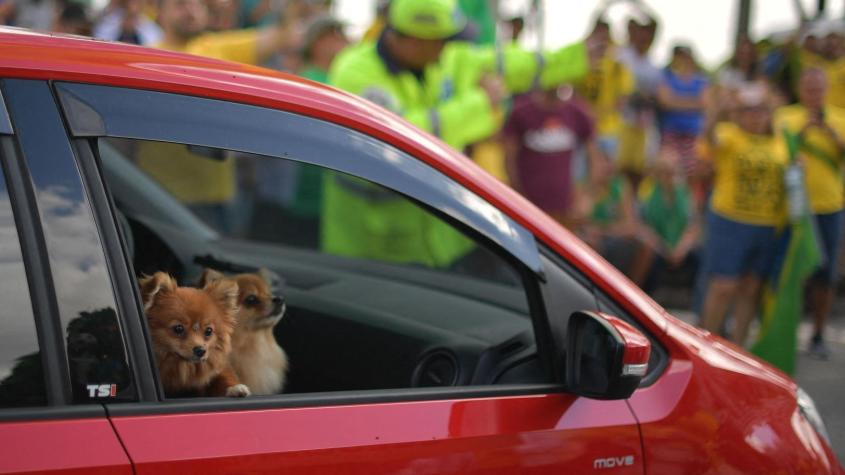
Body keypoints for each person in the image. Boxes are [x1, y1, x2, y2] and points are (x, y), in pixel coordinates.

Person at [324, 0, 605, 267]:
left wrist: (576, 57)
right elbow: (396, 139)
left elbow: (513, 65)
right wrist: (480, 105)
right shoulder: (355, 72)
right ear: (416, 40)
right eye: (443, 40)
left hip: (442, 244)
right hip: (371, 254)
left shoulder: (449, 58)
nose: (449, 47)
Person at [698, 86, 788, 347]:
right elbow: (709, 138)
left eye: (761, 110)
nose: (756, 116)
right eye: (749, 110)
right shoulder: (730, 134)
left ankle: (738, 349)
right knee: (723, 286)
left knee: (751, 288)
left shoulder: (780, 142)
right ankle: (705, 345)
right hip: (730, 221)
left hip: (767, 224)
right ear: (740, 114)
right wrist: (718, 110)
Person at [774, 68, 845, 359]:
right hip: (794, 208)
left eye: (818, 88)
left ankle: (818, 334)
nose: (814, 94)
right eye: (809, 88)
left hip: (829, 206)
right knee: (790, 272)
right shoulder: (785, 116)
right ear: (800, 89)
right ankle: (784, 333)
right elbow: (779, 154)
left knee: (825, 274)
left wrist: (830, 132)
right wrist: (803, 132)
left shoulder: (839, 117)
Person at [502, 86, 600, 227]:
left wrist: (587, 197)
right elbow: (509, 158)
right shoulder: (521, 111)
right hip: (528, 207)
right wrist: (517, 195)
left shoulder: (578, 112)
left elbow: (593, 157)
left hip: (564, 209)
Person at [632, 146, 701, 293]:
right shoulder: (647, 192)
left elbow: (693, 226)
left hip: (679, 246)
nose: (669, 176)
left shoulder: (684, 193)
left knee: (701, 257)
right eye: (664, 172)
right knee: (647, 254)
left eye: (672, 171)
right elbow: (640, 225)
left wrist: (681, 248)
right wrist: (663, 247)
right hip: (657, 245)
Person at [657, 44, 709, 205]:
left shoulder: (701, 80)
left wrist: (676, 101)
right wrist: (693, 102)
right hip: (671, 132)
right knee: (669, 170)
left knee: (692, 174)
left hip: (693, 134)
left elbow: (704, 103)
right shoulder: (666, 77)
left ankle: (689, 209)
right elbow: (666, 102)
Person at [616, 15, 661, 188]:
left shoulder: (653, 66)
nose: (645, 37)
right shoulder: (620, 57)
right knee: (619, 170)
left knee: (641, 171)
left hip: (643, 125)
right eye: (642, 32)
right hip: (621, 123)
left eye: (649, 33)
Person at [93, 0, 163, 45]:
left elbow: (156, 41)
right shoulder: (112, 20)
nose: (133, 3)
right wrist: (120, 26)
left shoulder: (147, 25)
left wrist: (138, 26)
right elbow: (99, 37)